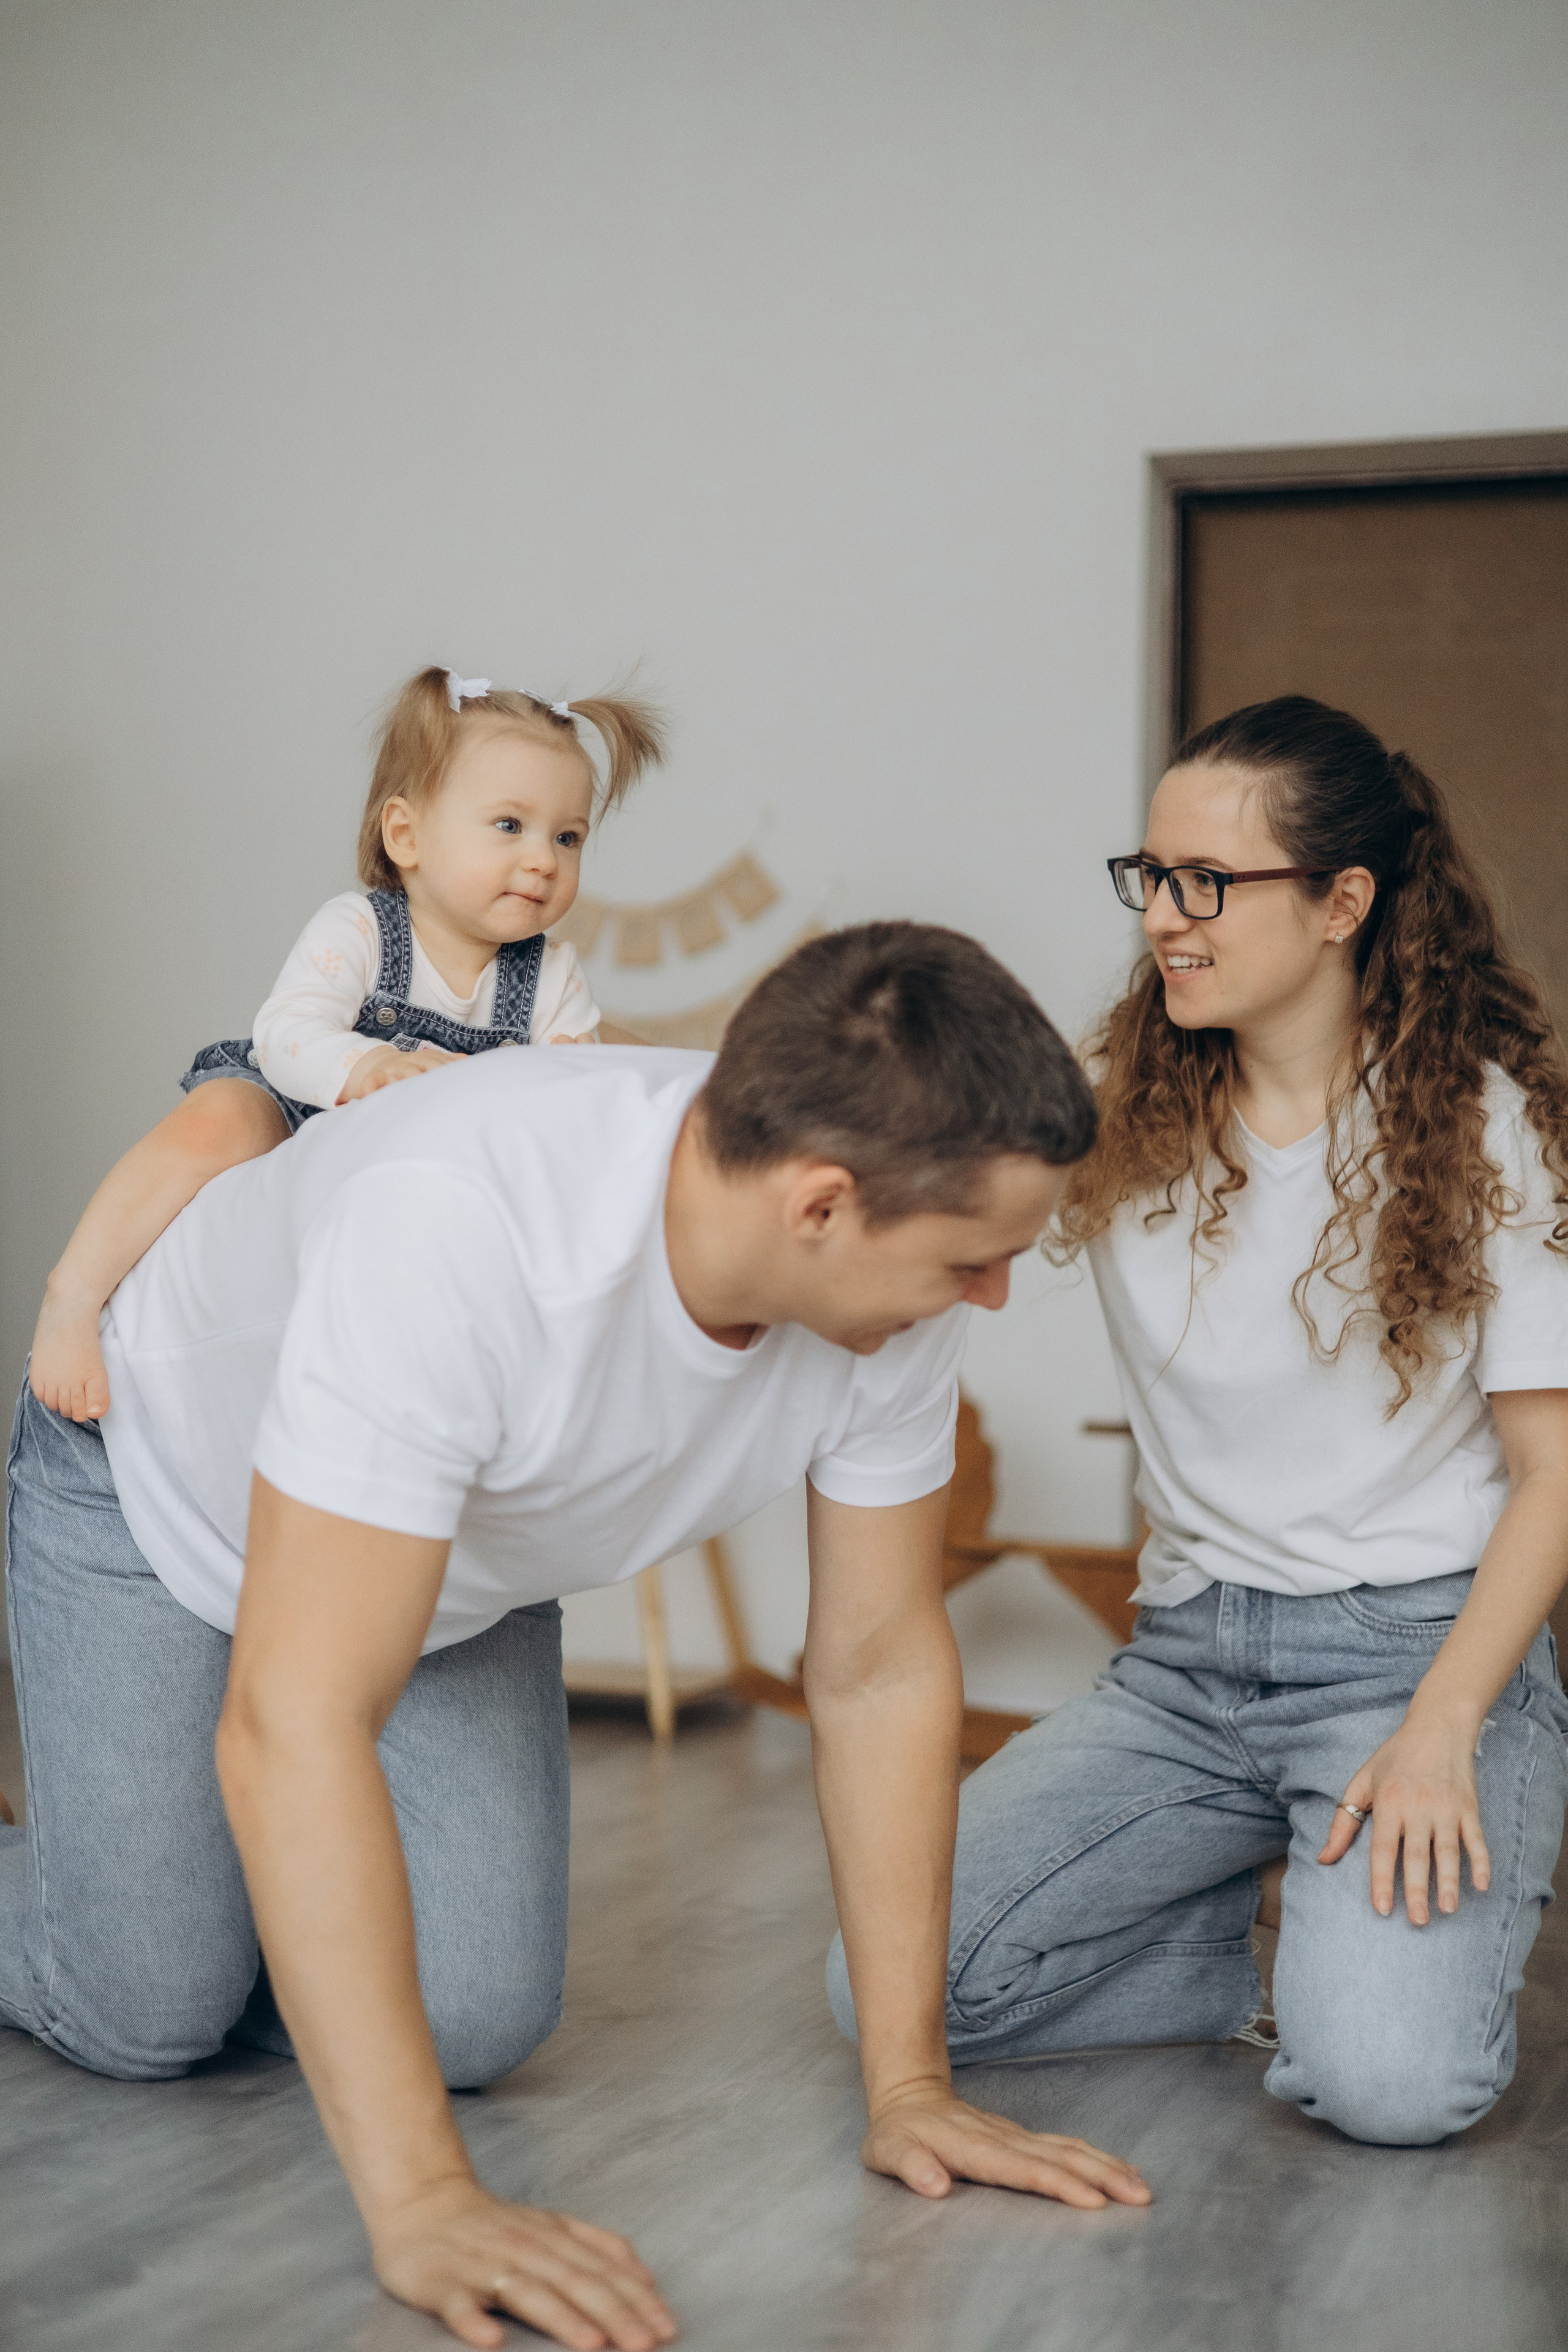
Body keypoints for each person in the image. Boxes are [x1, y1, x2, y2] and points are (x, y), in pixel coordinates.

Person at [2, 922, 1151, 2352]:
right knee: (145, 2011)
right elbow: (294, 1719)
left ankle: (183, 1873)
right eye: (973, 1257)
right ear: (817, 1205)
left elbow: (877, 1661)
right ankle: (127, 1895)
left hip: (447, 1572)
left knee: (472, 2022)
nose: (991, 1293)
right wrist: (423, 2194)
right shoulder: (462, 1227)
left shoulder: (887, 1302)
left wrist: (907, 2082)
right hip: (156, 1478)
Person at [831, 697, 1568, 2149]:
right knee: (898, 1994)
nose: (1165, 916)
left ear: (1343, 901)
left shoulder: (1483, 1130)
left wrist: (1438, 1728)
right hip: (1183, 1666)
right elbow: (904, 1189)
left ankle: (1354, 1944)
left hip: (1409, 1660)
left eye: (1207, 883)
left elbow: (1551, 1473)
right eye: (1151, 876)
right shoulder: (1111, 1116)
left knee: (1388, 2089)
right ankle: (1226, 1940)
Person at [28, 665, 662, 1425]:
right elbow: (288, 1032)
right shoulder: (361, 928)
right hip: (296, 1104)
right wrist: (370, 1064)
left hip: (415, 1162)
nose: (543, 859)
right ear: (407, 834)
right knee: (221, 1122)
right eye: (508, 826)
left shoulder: (552, 974)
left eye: (568, 836)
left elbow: (568, 1093)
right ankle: (74, 1293)